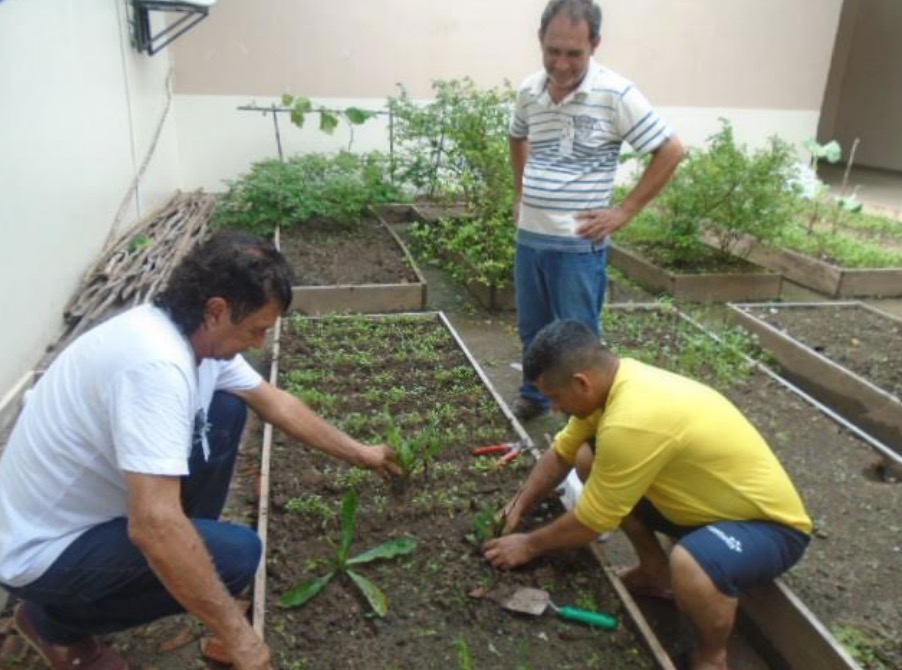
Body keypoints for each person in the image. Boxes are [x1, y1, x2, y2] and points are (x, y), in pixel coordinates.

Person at [0, 231, 400, 670]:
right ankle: (55, 624)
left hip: (82, 513)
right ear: (217, 310)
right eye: (256, 329)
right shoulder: (155, 367)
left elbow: (275, 403)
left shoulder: (192, 337)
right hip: (42, 550)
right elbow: (153, 526)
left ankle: (186, 560)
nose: (260, 343)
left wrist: (363, 454)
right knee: (237, 557)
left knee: (228, 408)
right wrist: (241, 639)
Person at [483, 320, 811, 670]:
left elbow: (593, 522)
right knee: (587, 458)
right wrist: (518, 505)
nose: (553, 409)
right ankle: (654, 571)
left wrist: (528, 545)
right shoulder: (615, 384)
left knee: (690, 565)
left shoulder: (632, 419)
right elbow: (562, 453)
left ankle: (712, 656)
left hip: (768, 528)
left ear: (581, 382)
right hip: (705, 508)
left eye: (555, 398)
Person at [509, 0, 685, 421]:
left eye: (574, 53)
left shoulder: (615, 93)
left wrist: (625, 211)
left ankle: (586, 418)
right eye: (553, 50)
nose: (562, 63)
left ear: (595, 45)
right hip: (531, 238)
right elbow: (517, 137)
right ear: (540, 40)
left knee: (579, 341)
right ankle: (534, 395)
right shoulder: (529, 91)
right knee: (532, 330)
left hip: (578, 246)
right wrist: (521, 192)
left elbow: (671, 150)